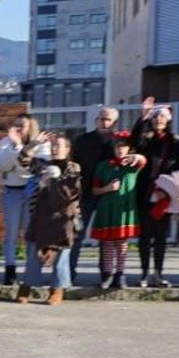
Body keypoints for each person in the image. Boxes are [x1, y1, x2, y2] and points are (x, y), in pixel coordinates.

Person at [20, 134, 84, 306]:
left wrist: (52, 181)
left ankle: (57, 289)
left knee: (62, 254)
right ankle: (26, 286)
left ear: (67, 149)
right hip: (40, 215)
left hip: (64, 217)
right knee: (34, 251)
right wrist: (34, 144)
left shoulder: (73, 167)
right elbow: (23, 161)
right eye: (53, 145)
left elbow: (70, 191)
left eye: (59, 145)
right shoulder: (43, 164)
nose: (54, 148)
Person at [0, 115, 51, 286]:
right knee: (11, 232)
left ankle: (31, 271)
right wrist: (17, 147)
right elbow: (0, 165)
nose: (18, 129)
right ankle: (10, 269)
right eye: (15, 125)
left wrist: (19, 158)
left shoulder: (42, 142)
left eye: (22, 126)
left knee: (30, 233)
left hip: (33, 193)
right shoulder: (6, 142)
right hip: (12, 192)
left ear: (31, 127)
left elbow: (37, 168)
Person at [130, 103, 179, 287]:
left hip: (165, 194)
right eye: (156, 117)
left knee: (161, 236)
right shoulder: (146, 137)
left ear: (167, 120)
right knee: (145, 235)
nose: (159, 120)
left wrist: (173, 186)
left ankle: (159, 273)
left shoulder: (174, 141)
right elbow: (135, 142)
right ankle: (144, 273)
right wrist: (143, 118)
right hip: (146, 192)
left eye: (162, 117)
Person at [71, 105, 120, 282]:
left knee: (107, 236)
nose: (104, 122)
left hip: (110, 195)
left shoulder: (119, 142)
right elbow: (74, 166)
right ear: (96, 120)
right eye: (101, 118)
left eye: (108, 119)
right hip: (85, 194)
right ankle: (69, 273)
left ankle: (106, 274)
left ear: (115, 122)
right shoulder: (83, 140)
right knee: (77, 233)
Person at [92, 133, 147, 290]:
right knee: (108, 242)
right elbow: (95, 190)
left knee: (122, 242)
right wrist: (107, 188)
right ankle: (107, 275)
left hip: (124, 208)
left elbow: (143, 161)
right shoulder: (104, 165)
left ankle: (120, 274)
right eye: (118, 146)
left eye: (124, 146)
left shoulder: (132, 165)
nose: (120, 149)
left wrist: (135, 157)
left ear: (129, 148)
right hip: (107, 207)